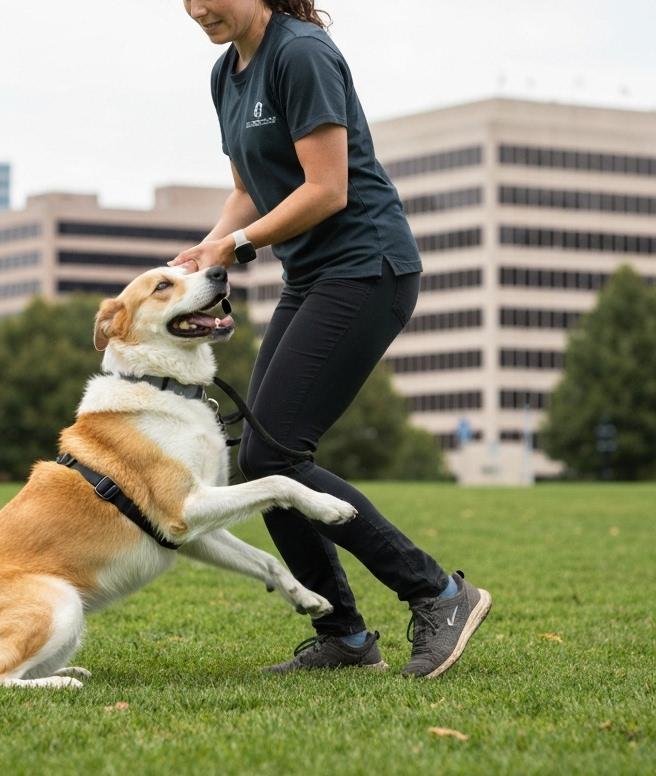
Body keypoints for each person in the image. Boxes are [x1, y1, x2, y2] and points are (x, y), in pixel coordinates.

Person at [171, 0, 491, 677]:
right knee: (263, 456)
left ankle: (438, 592)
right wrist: (206, 249)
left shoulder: (301, 53)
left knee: (279, 450)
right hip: (313, 276)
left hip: (368, 270)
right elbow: (248, 188)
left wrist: (236, 244)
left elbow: (327, 188)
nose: (198, 7)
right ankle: (344, 635)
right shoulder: (225, 73)